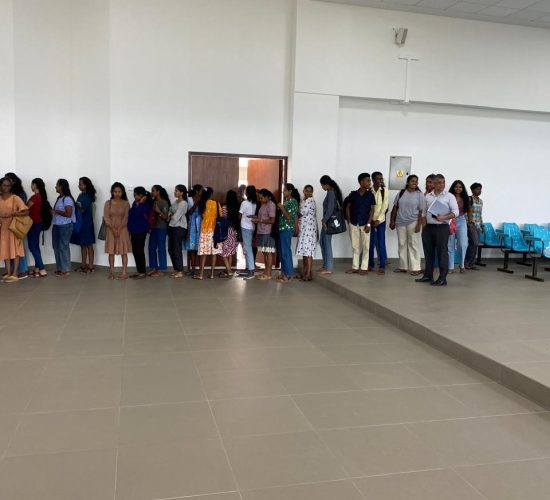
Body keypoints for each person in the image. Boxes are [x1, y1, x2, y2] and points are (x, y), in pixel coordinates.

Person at [416, 174, 459, 286]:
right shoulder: (428, 196)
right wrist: (424, 226)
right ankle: (428, 275)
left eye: (443, 182)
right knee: (428, 252)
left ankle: (442, 278)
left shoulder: (449, 196)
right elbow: (423, 212)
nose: (442, 184)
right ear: (433, 184)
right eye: (439, 182)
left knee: (442, 252)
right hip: (428, 228)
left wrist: (444, 217)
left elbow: (456, 212)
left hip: (442, 228)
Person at [389, 174, 424, 275]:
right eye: (412, 181)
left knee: (413, 244)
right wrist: (392, 221)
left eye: (416, 181)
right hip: (400, 222)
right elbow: (395, 207)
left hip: (413, 221)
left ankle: (415, 268)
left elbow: (422, 210)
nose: (414, 183)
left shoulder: (419, 194)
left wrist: (419, 224)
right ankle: (403, 266)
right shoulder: (401, 192)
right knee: (402, 243)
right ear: (408, 182)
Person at [345, 173, 375, 275]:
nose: (370, 183)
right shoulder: (353, 194)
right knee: (355, 247)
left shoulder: (370, 195)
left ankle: (364, 268)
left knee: (366, 247)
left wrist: (369, 224)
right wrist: (349, 221)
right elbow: (347, 207)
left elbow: (372, 210)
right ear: (361, 182)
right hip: (354, 223)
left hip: (365, 224)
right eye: (368, 181)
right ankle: (355, 267)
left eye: (370, 181)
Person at [0, 177, 28, 283]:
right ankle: (8, 273)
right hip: (3, 228)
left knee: (16, 250)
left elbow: (26, 212)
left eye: (8, 185)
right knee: (5, 250)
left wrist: (14, 213)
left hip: (14, 228)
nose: (6, 187)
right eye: (4, 185)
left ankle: (15, 273)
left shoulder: (15, 198)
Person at [104, 182, 131, 280]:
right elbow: (106, 218)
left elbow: (126, 218)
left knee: (124, 251)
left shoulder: (126, 203)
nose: (117, 193)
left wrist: (119, 229)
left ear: (122, 192)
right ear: (112, 192)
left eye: (119, 191)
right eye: (115, 191)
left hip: (123, 230)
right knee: (111, 251)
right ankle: (111, 272)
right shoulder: (108, 203)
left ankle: (124, 272)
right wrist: (113, 229)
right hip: (110, 229)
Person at [195, 187, 222, 280]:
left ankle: (201, 274)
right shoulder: (216, 203)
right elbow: (220, 215)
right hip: (215, 230)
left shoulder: (201, 203)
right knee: (214, 253)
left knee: (204, 253)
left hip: (205, 231)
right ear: (211, 194)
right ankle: (212, 274)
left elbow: (201, 216)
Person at [319, 175, 343, 275]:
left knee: (326, 243)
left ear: (326, 184)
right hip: (326, 221)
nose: (322, 187)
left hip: (328, 222)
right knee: (322, 242)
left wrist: (324, 220)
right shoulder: (331, 191)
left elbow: (330, 209)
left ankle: (328, 267)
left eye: (322, 185)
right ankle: (325, 265)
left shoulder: (331, 192)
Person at [51, 178, 76, 277]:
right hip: (57, 225)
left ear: (61, 186)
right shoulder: (59, 198)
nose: (55, 187)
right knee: (56, 247)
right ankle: (60, 268)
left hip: (65, 226)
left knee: (63, 247)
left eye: (57, 185)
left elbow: (68, 214)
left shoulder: (67, 199)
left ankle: (66, 269)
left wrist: (56, 211)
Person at [72, 177, 97, 273]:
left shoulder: (87, 196)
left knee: (89, 244)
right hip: (80, 222)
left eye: (80, 184)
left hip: (87, 223)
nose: (79, 186)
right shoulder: (81, 195)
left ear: (86, 185)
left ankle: (91, 266)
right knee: (82, 244)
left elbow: (83, 210)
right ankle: (83, 266)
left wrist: (78, 207)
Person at [277, 183, 300, 282]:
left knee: (285, 251)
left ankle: (289, 274)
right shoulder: (287, 201)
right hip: (282, 228)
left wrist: (281, 207)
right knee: (282, 251)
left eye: (285, 190)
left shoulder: (293, 202)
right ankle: (284, 273)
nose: (283, 191)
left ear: (290, 191)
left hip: (287, 228)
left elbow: (289, 217)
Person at [252, 189, 277, 280]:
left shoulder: (271, 205)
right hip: (261, 231)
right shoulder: (263, 204)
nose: (260, 200)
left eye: (262, 198)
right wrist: (255, 218)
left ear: (267, 197)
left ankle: (268, 274)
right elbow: (262, 216)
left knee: (268, 252)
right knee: (264, 252)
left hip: (267, 232)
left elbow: (272, 220)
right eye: (259, 198)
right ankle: (266, 272)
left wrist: (260, 220)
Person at [128, 187, 152, 279]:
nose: (134, 196)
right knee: (135, 251)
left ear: (141, 195)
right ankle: (139, 270)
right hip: (133, 230)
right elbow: (131, 214)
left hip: (141, 230)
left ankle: (142, 272)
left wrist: (141, 203)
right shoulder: (135, 203)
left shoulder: (146, 204)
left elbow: (137, 213)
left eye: (135, 195)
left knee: (139, 250)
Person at [448, 180, 471, 274]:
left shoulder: (465, 198)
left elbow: (469, 211)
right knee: (450, 244)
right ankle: (450, 267)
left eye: (460, 187)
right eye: (456, 186)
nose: (458, 188)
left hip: (461, 220)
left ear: (463, 188)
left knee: (462, 244)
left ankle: (462, 265)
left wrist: (471, 223)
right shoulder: (449, 197)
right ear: (453, 187)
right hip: (450, 220)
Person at [26, 178, 48, 277]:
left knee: (32, 246)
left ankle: (42, 269)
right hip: (38, 223)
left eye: (32, 184)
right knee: (36, 246)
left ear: (35, 185)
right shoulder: (41, 197)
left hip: (33, 224)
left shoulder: (35, 197)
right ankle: (37, 268)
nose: (31, 186)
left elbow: (25, 208)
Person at [295, 185, 318, 282]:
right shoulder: (303, 200)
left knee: (308, 252)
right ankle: (304, 273)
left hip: (309, 229)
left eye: (310, 191)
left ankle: (308, 274)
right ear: (303, 191)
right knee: (305, 252)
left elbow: (300, 213)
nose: (308, 193)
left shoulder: (310, 201)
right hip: (304, 229)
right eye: (306, 190)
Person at [368, 171, 389, 275]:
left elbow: (385, 207)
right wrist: (371, 220)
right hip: (370, 221)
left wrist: (378, 220)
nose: (381, 181)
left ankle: (382, 266)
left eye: (381, 179)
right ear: (373, 180)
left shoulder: (385, 191)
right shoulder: (369, 190)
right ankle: (370, 264)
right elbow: (367, 206)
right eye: (378, 179)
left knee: (380, 243)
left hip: (381, 221)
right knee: (370, 243)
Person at [148, 184, 170, 277]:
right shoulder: (153, 202)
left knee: (161, 248)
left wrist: (159, 211)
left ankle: (162, 269)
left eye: (153, 191)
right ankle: (154, 267)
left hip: (161, 228)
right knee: (151, 248)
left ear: (158, 192)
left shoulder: (164, 203)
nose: (152, 192)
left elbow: (166, 217)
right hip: (153, 228)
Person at [167, 184, 188, 279]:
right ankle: (176, 269)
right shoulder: (175, 202)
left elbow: (176, 217)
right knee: (170, 249)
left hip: (179, 227)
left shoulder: (183, 203)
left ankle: (180, 271)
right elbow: (170, 211)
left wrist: (172, 214)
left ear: (182, 193)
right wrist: (171, 214)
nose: (174, 192)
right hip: (172, 226)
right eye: (175, 190)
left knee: (176, 249)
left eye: (176, 191)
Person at [219, 190, 239, 277]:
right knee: (230, 252)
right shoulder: (237, 208)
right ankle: (228, 270)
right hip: (234, 231)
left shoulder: (224, 207)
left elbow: (222, 218)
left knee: (223, 251)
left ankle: (229, 271)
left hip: (225, 231)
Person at [238, 185, 257, 278]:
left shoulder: (244, 203)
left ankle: (251, 270)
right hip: (252, 227)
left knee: (248, 248)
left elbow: (240, 215)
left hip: (245, 227)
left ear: (247, 193)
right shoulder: (255, 203)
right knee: (247, 247)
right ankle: (248, 267)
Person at [465, 182, 484, 270]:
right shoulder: (469, 199)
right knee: (474, 243)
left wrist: (482, 225)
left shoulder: (481, 201)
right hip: (471, 224)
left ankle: (471, 263)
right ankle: (466, 262)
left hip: (478, 225)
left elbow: (480, 214)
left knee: (475, 244)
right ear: (472, 190)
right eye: (477, 189)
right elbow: (466, 213)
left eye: (480, 189)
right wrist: (469, 223)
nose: (479, 190)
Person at [185, 185, 203, 276]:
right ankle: (192, 269)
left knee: (199, 247)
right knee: (191, 248)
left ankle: (200, 269)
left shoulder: (203, 199)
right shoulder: (189, 199)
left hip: (200, 224)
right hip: (192, 223)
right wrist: (196, 203)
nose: (202, 192)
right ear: (197, 191)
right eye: (201, 190)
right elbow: (189, 212)